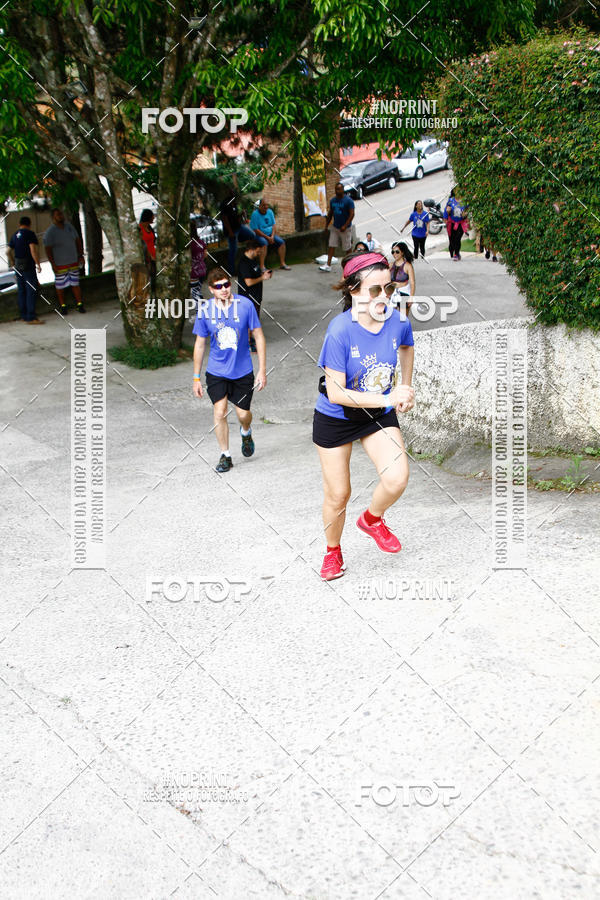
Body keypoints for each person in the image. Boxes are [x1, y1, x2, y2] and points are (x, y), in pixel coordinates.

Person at [313, 251, 415, 580]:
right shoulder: (340, 331)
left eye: (389, 288)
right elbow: (336, 392)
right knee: (338, 493)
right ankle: (333, 551)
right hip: (336, 416)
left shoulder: (398, 322)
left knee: (397, 477)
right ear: (354, 291)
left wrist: (406, 386)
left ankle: (372, 519)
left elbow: (407, 347)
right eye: (375, 290)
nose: (384, 296)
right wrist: (386, 396)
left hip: (376, 414)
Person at [192, 267, 267, 473]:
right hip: (216, 371)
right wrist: (196, 377)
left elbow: (258, 336)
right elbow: (200, 344)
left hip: (242, 371)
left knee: (243, 414)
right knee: (220, 412)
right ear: (211, 289)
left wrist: (262, 370)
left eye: (226, 284)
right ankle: (225, 455)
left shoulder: (245, 305)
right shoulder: (205, 310)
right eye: (218, 286)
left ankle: (246, 431)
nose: (224, 289)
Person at [43, 208, 86, 314]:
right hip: (60, 263)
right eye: (58, 215)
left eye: (61, 214)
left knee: (75, 283)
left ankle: (79, 304)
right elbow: (48, 249)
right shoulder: (50, 232)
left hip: (73, 261)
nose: (61, 216)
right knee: (60, 286)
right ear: (53, 217)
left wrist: (81, 255)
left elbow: (77, 241)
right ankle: (63, 306)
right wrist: (53, 264)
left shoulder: (69, 227)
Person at [237, 239, 272, 352]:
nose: (259, 253)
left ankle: (250, 339)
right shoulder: (244, 263)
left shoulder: (253, 260)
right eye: (258, 251)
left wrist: (264, 274)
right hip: (248, 297)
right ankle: (247, 342)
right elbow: (248, 282)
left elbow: (255, 274)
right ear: (251, 250)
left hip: (256, 296)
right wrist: (262, 278)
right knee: (248, 321)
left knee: (254, 319)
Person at [7, 216, 43, 324]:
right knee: (31, 290)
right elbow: (33, 250)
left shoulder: (15, 235)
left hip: (18, 265)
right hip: (28, 265)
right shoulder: (30, 234)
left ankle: (23, 315)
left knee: (21, 290)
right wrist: (38, 264)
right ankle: (31, 317)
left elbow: (7, 251)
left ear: (20, 224)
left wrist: (12, 262)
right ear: (29, 224)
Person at [320, 182, 355, 272]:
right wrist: (326, 226)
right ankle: (328, 265)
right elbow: (330, 213)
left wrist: (345, 225)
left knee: (347, 248)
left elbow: (352, 214)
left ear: (343, 190)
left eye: (339, 189)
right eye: (336, 189)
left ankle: (350, 265)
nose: (337, 191)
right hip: (335, 227)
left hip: (345, 228)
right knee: (331, 245)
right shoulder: (333, 201)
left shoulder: (348, 201)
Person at [220, 191, 256, 275]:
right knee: (233, 250)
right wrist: (230, 232)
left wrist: (242, 215)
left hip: (238, 227)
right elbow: (224, 219)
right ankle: (231, 271)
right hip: (231, 230)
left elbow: (236, 218)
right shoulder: (225, 204)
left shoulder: (234, 204)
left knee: (252, 235)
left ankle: (248, 258)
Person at [250, 199, 290, 271]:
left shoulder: (270, 212)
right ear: (259, 206)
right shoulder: (255, 214)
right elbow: (255, 230)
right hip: (259, 236)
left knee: (282, 243)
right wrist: (267, 238)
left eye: (267, 205)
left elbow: (273, 225)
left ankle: (282, 263)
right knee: (264, 243)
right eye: (264, 205)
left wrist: (271, 236)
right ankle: (262, 266)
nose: (266, 207)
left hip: (270, 235)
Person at [443, 189, 468, 261]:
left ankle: (456, 253)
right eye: (457, 191)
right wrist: (446, 216)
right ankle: (452, 249)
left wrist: (465, 215)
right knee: (452, 239)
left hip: (460, 223)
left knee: (458, 238)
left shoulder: (464, 201)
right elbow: (446, 210)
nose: (458, 193)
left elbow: (467, 210)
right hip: (452, 222)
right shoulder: (450, 201)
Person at [390, 242, 415, 311]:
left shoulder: (408, 266)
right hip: (392, 293)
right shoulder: (391, 265)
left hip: (404, 293)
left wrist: (411, 297)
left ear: (402, 252)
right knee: (391, 318)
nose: (394, 254)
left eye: (397, 252)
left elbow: (412, 282)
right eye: (393, 252)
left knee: (402, 319)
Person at [190, 219, 207, 305]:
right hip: (202, 270)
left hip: (193, 272)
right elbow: (205, 254)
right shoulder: (200, 242)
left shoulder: (189, 244)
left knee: (195, 293)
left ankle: (201, 311)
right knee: (198, 291)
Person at [139, 209, 156, 291]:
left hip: (154, 253)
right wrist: (150, 256)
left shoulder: (149, 227)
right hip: (147, 257)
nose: (154, 218)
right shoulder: (140, 229)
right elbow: (143, 245)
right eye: (152, 216)